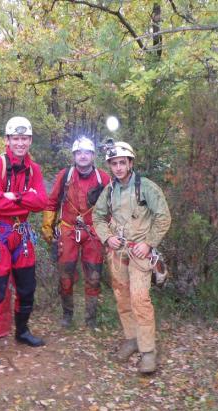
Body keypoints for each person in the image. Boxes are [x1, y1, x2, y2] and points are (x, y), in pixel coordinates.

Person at [92, 141, 171, 374]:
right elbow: (97, 218)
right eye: (114, 163)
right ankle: (131, 338)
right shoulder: (109, 191)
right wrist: (107, 238)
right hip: (117, 253)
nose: (118, 168)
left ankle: (148, 351)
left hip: (140, 254)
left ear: (130, 163)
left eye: (122, 163)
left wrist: (148, 243)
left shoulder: (146, 187)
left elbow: (163, 217)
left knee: (139, 299)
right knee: (122, 298)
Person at [0, 116, 48, 367]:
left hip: (22, 234)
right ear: (7, 140)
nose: (20, 142)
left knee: (27, 288)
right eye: (15, 138)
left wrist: (14, 196)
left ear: (30, 140)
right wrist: (25, 197)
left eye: (24, 138)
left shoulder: (34, 170)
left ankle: (22, 331)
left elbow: (41, 203)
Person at [41, 136, 111, 328]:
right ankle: (67, 315)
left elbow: (112, 208)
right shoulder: (65, 176)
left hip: (93, 233)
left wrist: (109, 234)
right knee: (66, 275)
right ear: (73, 155)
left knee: (94, 277)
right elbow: (52, 201)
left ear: (93, 156)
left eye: (86, 152)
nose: (82, 156)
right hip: (68, 230)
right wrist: (48, 226)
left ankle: (90, 320)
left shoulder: (103, 178)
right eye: (78, 152)